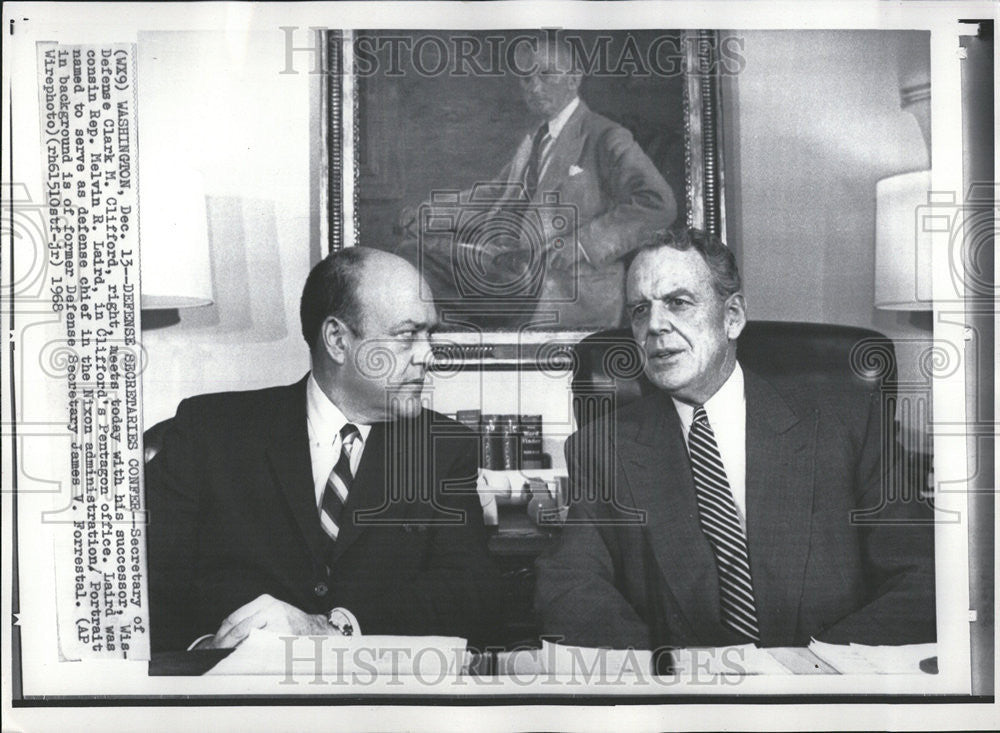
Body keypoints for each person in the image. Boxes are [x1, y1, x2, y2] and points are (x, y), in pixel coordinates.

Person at [535, 228, 936, 650]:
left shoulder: (846, 424)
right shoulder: (603, 449)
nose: (654, 326)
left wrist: (816, 678)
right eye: (639, 310)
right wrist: (665, 682)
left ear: (733, 317)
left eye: (678, 302)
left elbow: (924, 579)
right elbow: (569, 588)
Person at [146, 247, 501, 652]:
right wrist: (209, 647)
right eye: (407, 337)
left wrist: (333, 629)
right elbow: (143, 582)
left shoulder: (442, 448)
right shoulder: (210, 431)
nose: (428, 356)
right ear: (337, 340)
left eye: (430, 335)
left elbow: (473, 594)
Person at [398, 36, 676, 329]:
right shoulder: (535, 140)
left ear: (574, 79)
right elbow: (495, 195)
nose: (534, 87)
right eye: (526, 79)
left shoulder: (605, 136)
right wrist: (432, 213)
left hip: (565, 287)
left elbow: (658, 204)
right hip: (510, 272)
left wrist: (583, 244)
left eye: (545, 74)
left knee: (415, 263)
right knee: (412, 253)